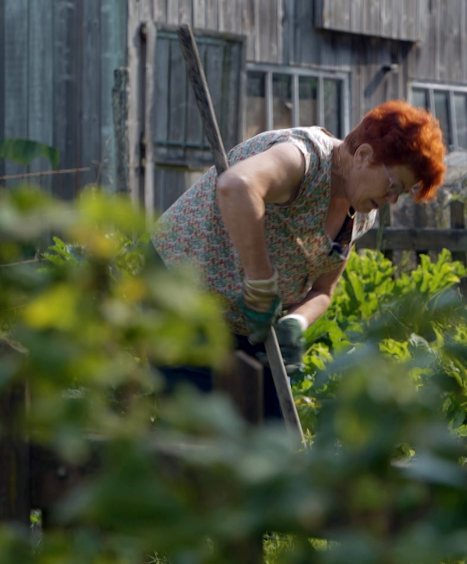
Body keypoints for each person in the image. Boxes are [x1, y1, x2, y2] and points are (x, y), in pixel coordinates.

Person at [150, 100, 447, 419]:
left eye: (400, 193)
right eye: (394, 186)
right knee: (207, 436)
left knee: (277, 437)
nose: (392, 200)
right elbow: (237, 185)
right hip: (181, 297)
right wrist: (261, 282)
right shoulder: (303, 157)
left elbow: (323, 291)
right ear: (363, 155)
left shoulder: (360, 214)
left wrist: (295, 321)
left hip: (248, 325)